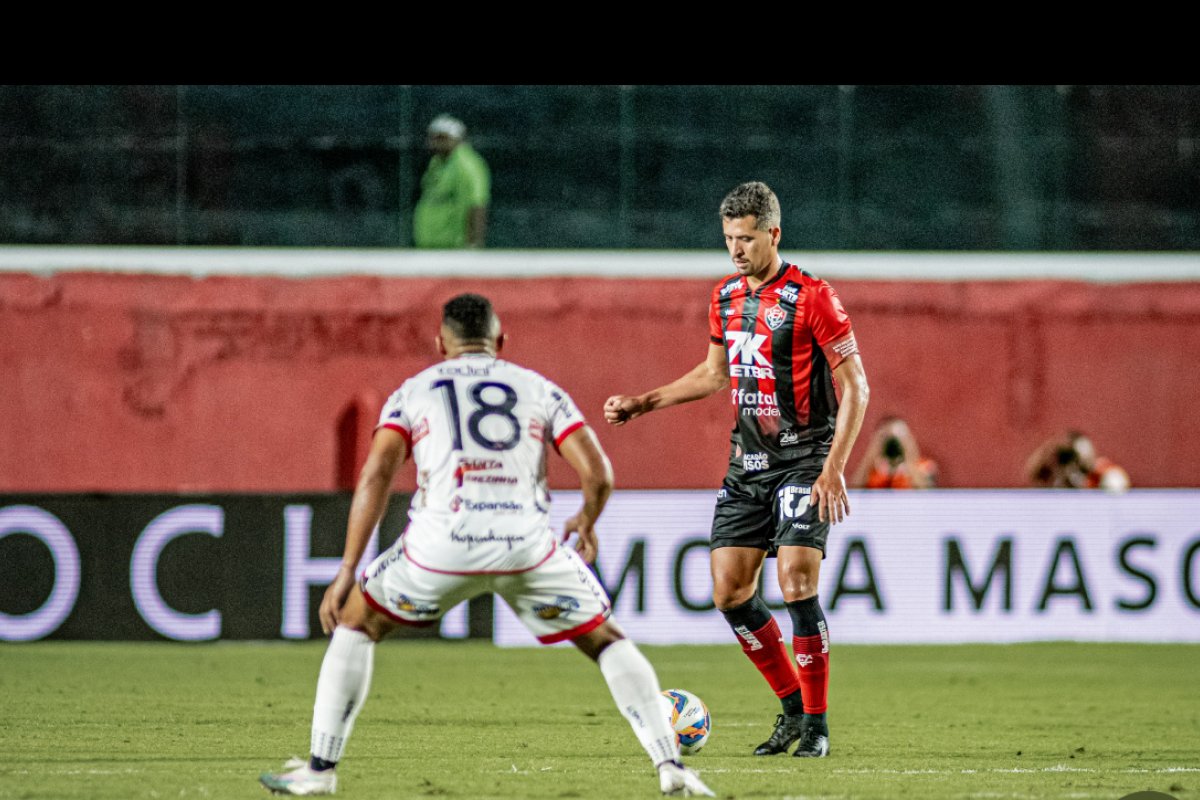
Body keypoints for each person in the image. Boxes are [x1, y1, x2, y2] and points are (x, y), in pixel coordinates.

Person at [260, 294, 712, 797]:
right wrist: (586, 519)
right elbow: (599, 473)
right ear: (500, 342)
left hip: (440, 547)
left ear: (441, 344)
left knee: (357, 624)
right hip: (525, 546)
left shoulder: (414, 391)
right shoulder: (537, 388)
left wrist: (348, 569)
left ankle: (320, 771)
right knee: (606, 640)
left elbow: (375, 475)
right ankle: (669, 765)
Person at [604, 181, 869, 759]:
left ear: (774, 233)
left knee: (797, 579)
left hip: (804, 459)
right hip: (747, 465)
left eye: (746, 238)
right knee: (729, 592)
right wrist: (643, 402)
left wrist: (833, 468)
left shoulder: (813, 296)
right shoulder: (724, 296)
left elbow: (857, 388)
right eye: (728, 238)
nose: (735, 249)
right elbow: (713, 375)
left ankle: (819, 726)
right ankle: (793, 711)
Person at [412, 114, 490, 249]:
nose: (434, 142)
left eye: (441, 138)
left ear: (456, 138)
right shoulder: (436, 163)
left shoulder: (468, 164)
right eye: (433, 137)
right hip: (429, 245)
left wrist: (474, 244)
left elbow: (478, 205)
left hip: (453, 248)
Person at [1026, 431, 1130, 492]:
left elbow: (1117, 484)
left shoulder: (1100, 472)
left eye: (1082, 465)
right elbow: (1034, 474)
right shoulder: (1055, 475)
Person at [851, 416, 937, 489]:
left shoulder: (925, 466)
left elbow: (927, 491)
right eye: (886, 437)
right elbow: (855, 490)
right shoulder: (871, 469)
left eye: (900, 436)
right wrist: (871, 455)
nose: (893, 443)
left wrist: (908, 458)